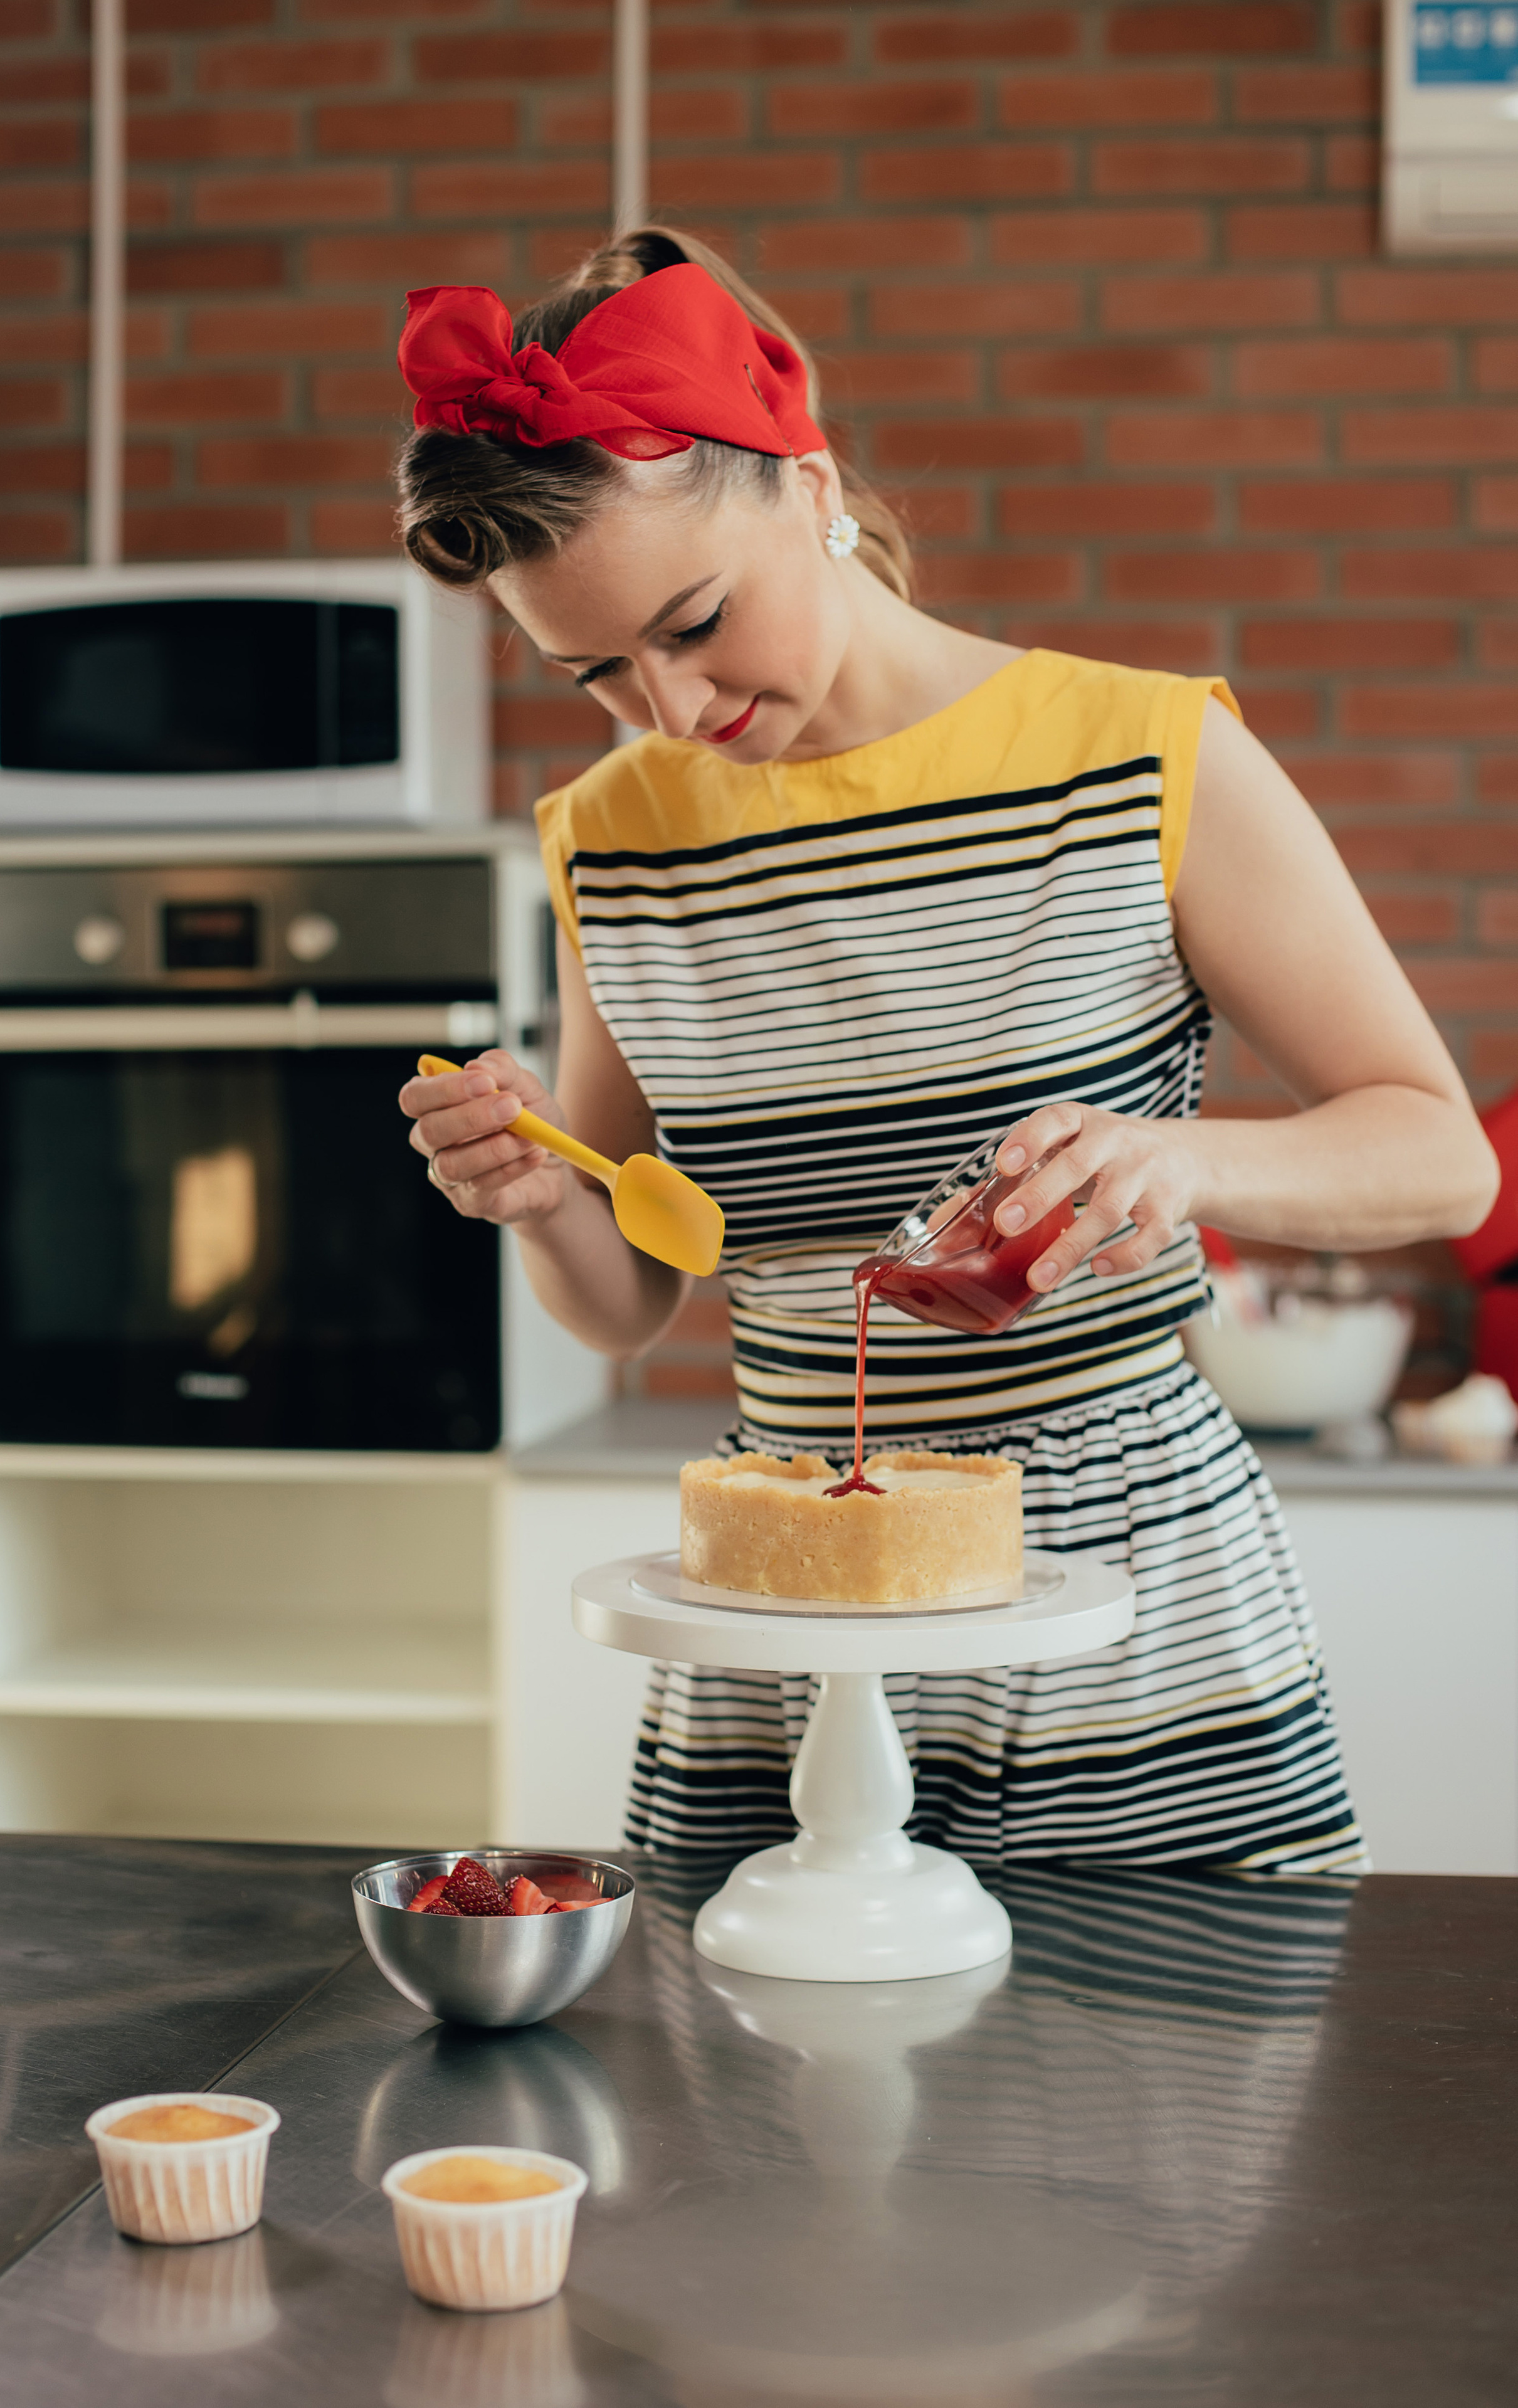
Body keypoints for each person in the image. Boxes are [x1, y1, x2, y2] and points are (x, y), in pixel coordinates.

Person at [395, 227, 1496, 1872]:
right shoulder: (611, 843)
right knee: (770, 2125)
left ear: (807, 477)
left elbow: (1438, 1150)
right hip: (786, 1614)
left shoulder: (1139, 757)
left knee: (1169, 2115)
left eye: (693, 623)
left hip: (1129, 1617)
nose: (674, 710)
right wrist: (543, 1195)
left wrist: (1187, 1160)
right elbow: (636, 1296)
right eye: (598, 675)